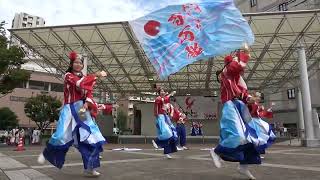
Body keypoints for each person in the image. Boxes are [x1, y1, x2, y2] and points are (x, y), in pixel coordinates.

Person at [37, 51, 107, 177]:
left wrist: (87, 103)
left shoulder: (85, 78)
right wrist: (96, 75)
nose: (78, 64)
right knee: (60, 136)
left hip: (81, 110)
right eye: (76, 62)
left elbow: (89, 93)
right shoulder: (68, 76)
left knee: (90, 138)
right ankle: (47, 152)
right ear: (71, 64)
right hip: (69, 109)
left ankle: (90, 169)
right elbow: (79, 84)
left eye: (80, 63)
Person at [210, 44, 260, 180]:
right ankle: (216, 152)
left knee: (253, 139)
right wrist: (244, 52)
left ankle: (243, 167)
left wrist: (250, 98)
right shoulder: (227, 73)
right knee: (238, 136)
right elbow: (234, 67)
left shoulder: (235, 79)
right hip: (230, 107)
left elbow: (241, 93)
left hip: (239, 107)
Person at [153, 86, 178, 159]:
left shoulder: (164, 100)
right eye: (161, 91)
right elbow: (163, 100)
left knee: (172, 134)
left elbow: (165, 101)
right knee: (167, 133)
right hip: (160, 117)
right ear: (159, 93)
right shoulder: (158, 99)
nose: (163, 92)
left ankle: (168, 151)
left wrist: (169, 95)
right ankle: (156, 141)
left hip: (165, 116)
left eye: (163, 91)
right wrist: (170, 94)